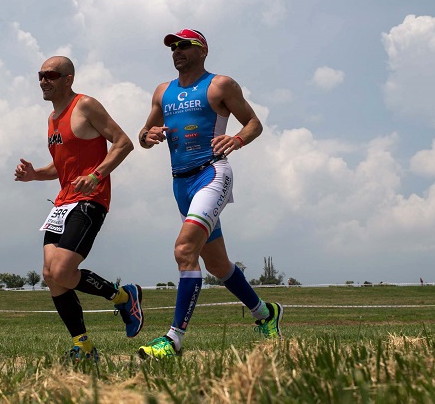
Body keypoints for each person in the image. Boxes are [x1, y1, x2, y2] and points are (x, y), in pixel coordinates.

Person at [136, 29, 283, 359]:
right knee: (217, 265)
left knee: (184, 248)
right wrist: (150, 135)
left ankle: (173, 339)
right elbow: (143, 136)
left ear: (203, 51)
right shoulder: (163, 91)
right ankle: (266, 314)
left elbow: (254, 123)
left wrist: (238, 139)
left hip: (212, 173)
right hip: (180, 183)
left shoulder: (220, 85)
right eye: (173, 47)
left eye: (184, 45)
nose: (177, 51)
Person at [15, 55, 144, 360]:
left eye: (51, 75)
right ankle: (83, 346)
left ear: (68, 78)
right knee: (50, 274)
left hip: (90, 200)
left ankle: (125, 297)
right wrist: (35, 175)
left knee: (62, 269)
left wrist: (97, 174)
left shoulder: (85, 105)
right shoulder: (52, 119)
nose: (44, 81)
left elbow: (123, 142)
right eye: (40, 76)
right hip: (62, 203)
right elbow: (62, 168)